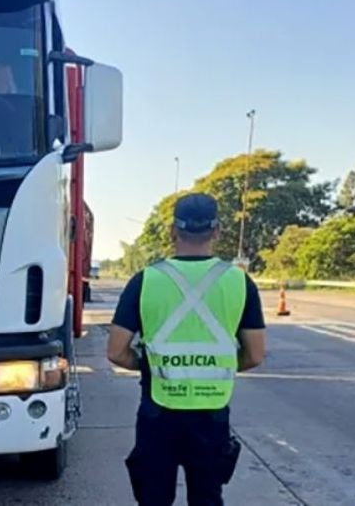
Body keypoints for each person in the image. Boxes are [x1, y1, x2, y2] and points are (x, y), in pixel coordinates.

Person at [107, 193, 266, 506]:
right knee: (208, 498)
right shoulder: (239, 281)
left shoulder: (146, 280)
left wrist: (153, 365)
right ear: (217, 231)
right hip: (212, 414)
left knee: (154, 498)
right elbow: (255, 354)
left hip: (158, 412)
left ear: (172, 231)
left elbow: (116, 351)